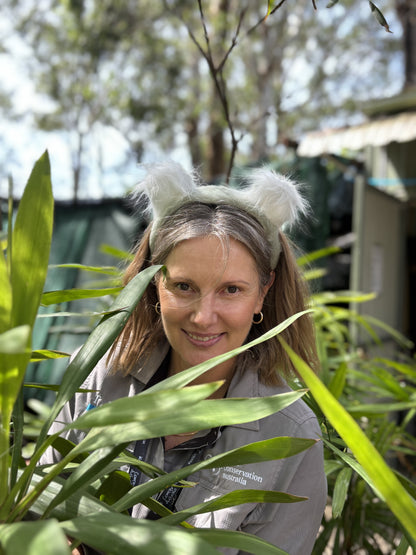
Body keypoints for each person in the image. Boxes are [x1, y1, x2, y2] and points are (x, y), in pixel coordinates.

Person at [41, 162, 327, 555]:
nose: (203, 316)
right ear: (154, 281)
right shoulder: (95, 377)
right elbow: (42, 515)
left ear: (263, 292)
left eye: (231, 289)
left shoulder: (292, 436)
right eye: (184, 286)